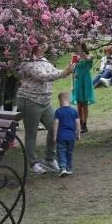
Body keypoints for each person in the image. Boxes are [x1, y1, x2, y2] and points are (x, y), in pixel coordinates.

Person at [16, 44, 74, 174]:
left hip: (45, 101)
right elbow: (43, 76)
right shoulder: (27, 62)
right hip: (30, 101)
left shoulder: (43, 60)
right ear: (37, 46)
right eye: (44, 43)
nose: (47, 46)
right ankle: (33, 163)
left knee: (55, 129)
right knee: (31, 134)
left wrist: (67, 70)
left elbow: (53, 72)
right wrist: (64, 73)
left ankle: (50, 158)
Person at [54, 92, 81, 177]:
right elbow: (77, 123)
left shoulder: (58, 111)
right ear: (69, 100)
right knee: (69, 152)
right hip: (71, 136)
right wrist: (78, 134)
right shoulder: (74, 111)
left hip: (61, 136)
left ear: (60, 101)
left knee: (61, 151)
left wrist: (54, 135)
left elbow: (56, 123)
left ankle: (63, 168)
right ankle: (68, 168)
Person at [71, 44, 95, 133]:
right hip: (78, 82)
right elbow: (73, 72)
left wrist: (82, 54)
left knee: (85, 103)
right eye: (77, 49)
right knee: (78, 104)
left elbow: (88, 59)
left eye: (80, 49)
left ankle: (85, 124)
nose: (78, 51)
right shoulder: (75, 58)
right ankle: (80, 123)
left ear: (83, 49)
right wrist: (72, 85)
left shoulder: (89, 56)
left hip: (86, 81)